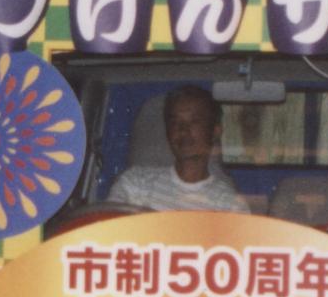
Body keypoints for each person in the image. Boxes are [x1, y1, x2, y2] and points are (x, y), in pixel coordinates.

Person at [106, 86, 249, 215]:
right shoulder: (135, 182)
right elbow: (107, 230)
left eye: (194, 121)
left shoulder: (230, 204)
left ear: (215, 132)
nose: (183, 130)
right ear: (168, 131)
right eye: (175, 122)